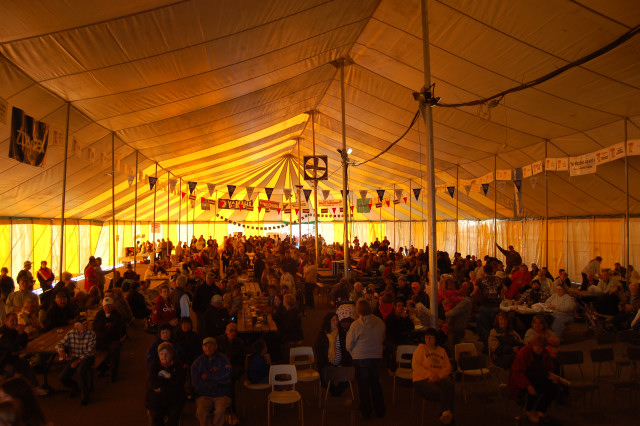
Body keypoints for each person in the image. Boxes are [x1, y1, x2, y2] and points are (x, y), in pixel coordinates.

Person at [346, 299, 386, 419]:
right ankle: (380, 410)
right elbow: (382, 338)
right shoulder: (380, 322)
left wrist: (354, 352)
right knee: (376, 383)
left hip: (360, 356)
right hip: (376, 356)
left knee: (363, 385)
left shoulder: (356, 325)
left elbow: (349, 344)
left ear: (358, 311)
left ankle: (366, 411)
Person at [508, 336, 558, 424]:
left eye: (541, 347)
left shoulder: (544, 352)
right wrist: (527, 385)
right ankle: (529, 409)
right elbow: (517, 372)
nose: (539, 349)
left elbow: (548, 367)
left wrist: (551, 375)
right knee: (533, 388)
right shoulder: (524, 352)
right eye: (537, 346)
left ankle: (541, 409)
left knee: (552, 388)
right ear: (532, 345)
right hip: (524, 379)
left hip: (538, 376)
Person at [412, 327, 454, 425]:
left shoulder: (441, 350)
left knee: (450, 383)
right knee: (444, 393)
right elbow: (416, 366)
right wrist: (430, 376)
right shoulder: (421, 349)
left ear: (436, 339)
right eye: (426, 337)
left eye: (431, 337)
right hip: (422, 380)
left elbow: (448, 367)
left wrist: (438, 376)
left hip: (438, 378)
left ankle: (445, 415)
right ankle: (447, 417)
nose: (428, 339)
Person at [0, 313, 47, 396]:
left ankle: (34, 388)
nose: (15, 322)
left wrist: (22, 333)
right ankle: (5, 393)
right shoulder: (2, 334)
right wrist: (20, 335)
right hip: (3, 361)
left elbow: (24, 343)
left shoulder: (14, 330)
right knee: (11, 369)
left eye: (16, 320)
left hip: (12, 358)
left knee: (26, 365)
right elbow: (12, 347)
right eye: (12, 320)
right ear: (6, 322)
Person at [56, 314, 97, 405]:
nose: (86, 326)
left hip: (88, 357)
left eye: (86, 324)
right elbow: (59, 344)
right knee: (62, 377)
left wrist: (78, 361)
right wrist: (60, 350)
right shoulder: (71, 334)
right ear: (77, 325)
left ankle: (85, 395)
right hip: (76, 357)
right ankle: (74, 386)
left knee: (81, 370)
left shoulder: (91, 334)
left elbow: (89, 351)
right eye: (83, 324)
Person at [191, 337, 232, 426]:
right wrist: (214, 381)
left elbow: (226, 377)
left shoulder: (223, 359)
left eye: (211, 346)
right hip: (204, 394)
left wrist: (207, 377)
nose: (208, 348)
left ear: (216, 346)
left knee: (220, 411)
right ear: (202, 347)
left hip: (221, 394)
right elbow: (196, 382)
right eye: (205, 346)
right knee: (201, 412)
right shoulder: (197, 363)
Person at [146, 342, 186, 426]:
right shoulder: (154, 366)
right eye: (161, 354)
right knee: (155, 417)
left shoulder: (178, 367)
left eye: (166, 354)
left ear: (171, 354)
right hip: (156, 400)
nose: (164, 357)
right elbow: (152, 383)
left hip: (173, 399)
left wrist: (162, 387)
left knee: (174, 418)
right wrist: (168, 381)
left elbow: (178, 385)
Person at [314, 312, 352, 396]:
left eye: (337, 320)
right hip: (327, 365)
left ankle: (336, 392)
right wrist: (328, 364)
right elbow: (319, 353)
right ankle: (335, 392)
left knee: (351, 374)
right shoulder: (323, 335)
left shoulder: (341, 334)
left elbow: (346, 351)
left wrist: (342, 363)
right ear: (328, 322)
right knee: (324, 379)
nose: (336, 322)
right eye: (333, 320)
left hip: (340, 365)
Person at [216, 323, 244, 425]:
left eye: (235, 331)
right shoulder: (218, 341)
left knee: (229, 382)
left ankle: (229, 411)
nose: (233, 333)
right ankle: (226, 410)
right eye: (231, 330)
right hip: (221, 367)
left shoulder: (240, 343)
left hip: (234, 368)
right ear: (226, 331)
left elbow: (241, 362)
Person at [472, 263, 506, 347]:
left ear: (484, 271)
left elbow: (474, 292)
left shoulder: (480, 281)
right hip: (495, 307)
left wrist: (477, 299)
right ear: (492, 271)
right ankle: (495, 346)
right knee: (494, 328)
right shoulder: (497, 281)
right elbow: (503, 293)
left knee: (485, 329)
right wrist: (499, 301)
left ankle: (487, 347)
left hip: (485, 306)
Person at [92, 297, 125, 382]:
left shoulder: (117, 315)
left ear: (113, 306)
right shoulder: (100, 314)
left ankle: (114, 373)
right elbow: (94, 326)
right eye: (105, 306)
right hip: (101, 340)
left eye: (109, 306)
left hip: (113, 340)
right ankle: (102, 369)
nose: (107, 308)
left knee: (115, 350)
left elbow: (114, 330)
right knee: (92, 347)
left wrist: (101, 328)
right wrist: (106, 325)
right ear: (103, 306)